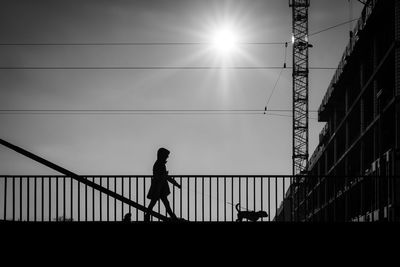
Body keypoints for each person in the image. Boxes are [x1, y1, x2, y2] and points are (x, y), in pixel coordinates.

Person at [144, 147, 181, 222]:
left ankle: (147, 217)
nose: (167, 157)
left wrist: (175, 184)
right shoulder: (160, 164)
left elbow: (163, 176)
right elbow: (163, 177)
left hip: (159, 187)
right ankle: (174, 218)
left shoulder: (159, 163)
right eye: (166, 155)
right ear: (162, 155)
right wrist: (176, 184)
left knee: (160, 203)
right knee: (161, 203)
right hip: (159, 188)